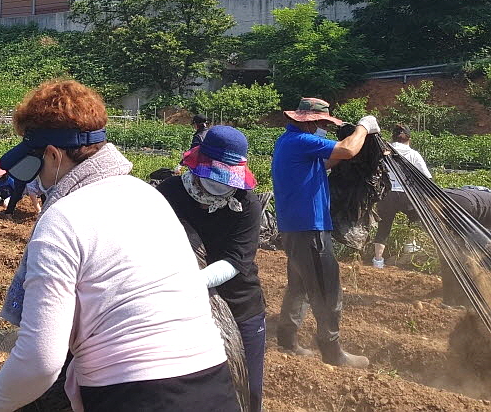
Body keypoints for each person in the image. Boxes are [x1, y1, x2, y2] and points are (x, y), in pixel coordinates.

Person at [0, 80, 238, 412]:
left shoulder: (63, 219)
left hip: (134, 397)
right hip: (214, 384)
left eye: (36, 163)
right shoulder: (147, 195)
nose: (37, 178)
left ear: (53, 154)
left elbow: (40, 363)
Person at [156, 125, 266, 412]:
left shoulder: (246, 204)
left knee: (248, 387)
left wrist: (191, 281)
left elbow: (236, 260)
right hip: (172, 303)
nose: (219, 186)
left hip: (239, 301)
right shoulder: (169, 193)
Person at [272, 97, 379, 368]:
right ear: (312, 122)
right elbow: (347, 149)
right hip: (310, 227)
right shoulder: (301, 141)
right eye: (322, 124)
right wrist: (364, 128)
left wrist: (340, 161)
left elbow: (326, 163)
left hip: (295, 228)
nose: (325, 129)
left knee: (300, 286)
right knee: (327, 289)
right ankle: (333, 351)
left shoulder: (288, 142)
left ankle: (286, 339)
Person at [372, 124, 432, 268]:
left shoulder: (384, 153)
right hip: (408, 194)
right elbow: (427, 178)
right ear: (409, 139)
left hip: (387, 194)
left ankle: (378, 260)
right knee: (415, 220)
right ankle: (409, 249)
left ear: (393, 138)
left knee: (383, 226)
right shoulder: (413, 155)